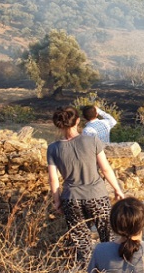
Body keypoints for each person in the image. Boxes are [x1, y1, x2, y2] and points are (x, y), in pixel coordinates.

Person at [47, 106, 126, 262]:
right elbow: (105, 169)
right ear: (77, 121)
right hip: (97, 195)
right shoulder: (92, 140)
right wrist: (117, 189)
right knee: (108, 236)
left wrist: (57, 201)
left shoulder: (53, 148)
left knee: (81, 241)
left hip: (71, 199)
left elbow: (53, 179)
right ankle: (111, 269)